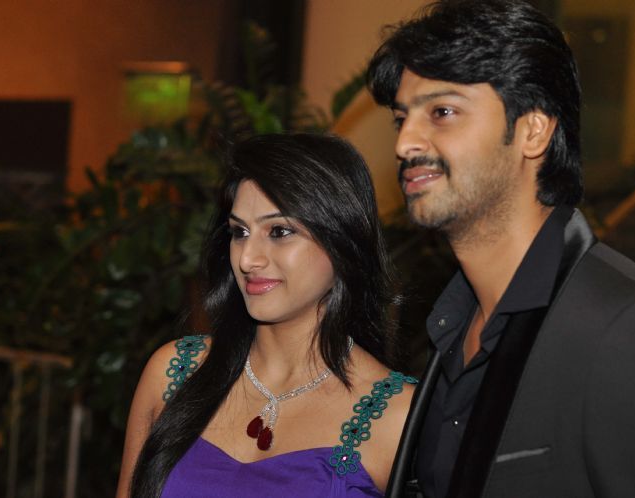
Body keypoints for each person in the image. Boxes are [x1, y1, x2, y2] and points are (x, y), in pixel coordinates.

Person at [365, 1, 635, 497]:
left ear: (533, 131)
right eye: (401, 119)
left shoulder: (629, 328)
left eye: (442, 112)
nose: (405, 143)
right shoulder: (450, 325)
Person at [115, 132, 417, 498]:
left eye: (279, 231)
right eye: (240, 232)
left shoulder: (399, 415)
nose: (247, 258)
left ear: (342, 241)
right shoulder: (174, 373)